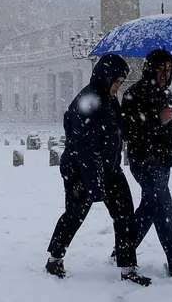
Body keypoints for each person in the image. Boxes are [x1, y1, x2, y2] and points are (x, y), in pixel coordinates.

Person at [45, 54, 151, 286]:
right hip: (80, 170)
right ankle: (54, 259)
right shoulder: (86, 102)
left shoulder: (109, 99)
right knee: (75, 214)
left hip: (110, 168)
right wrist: (95, 185)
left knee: (124, 214)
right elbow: (85, 148)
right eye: (117, 81)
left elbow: (118, 131)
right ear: (105, 76)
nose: (119, 86)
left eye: (122, 82)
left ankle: (128, 267)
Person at [120, 49, 172, 280]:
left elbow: (167, 128)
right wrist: (157, 120)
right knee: (164, 207)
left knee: (149, 208)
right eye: (161, 68)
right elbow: (129, 132)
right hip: (144, 159)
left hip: (164, 160)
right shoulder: (133, 94)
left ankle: (124, 248)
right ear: (151, 68)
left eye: (170, 68)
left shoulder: (169, 96)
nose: (165, 73)